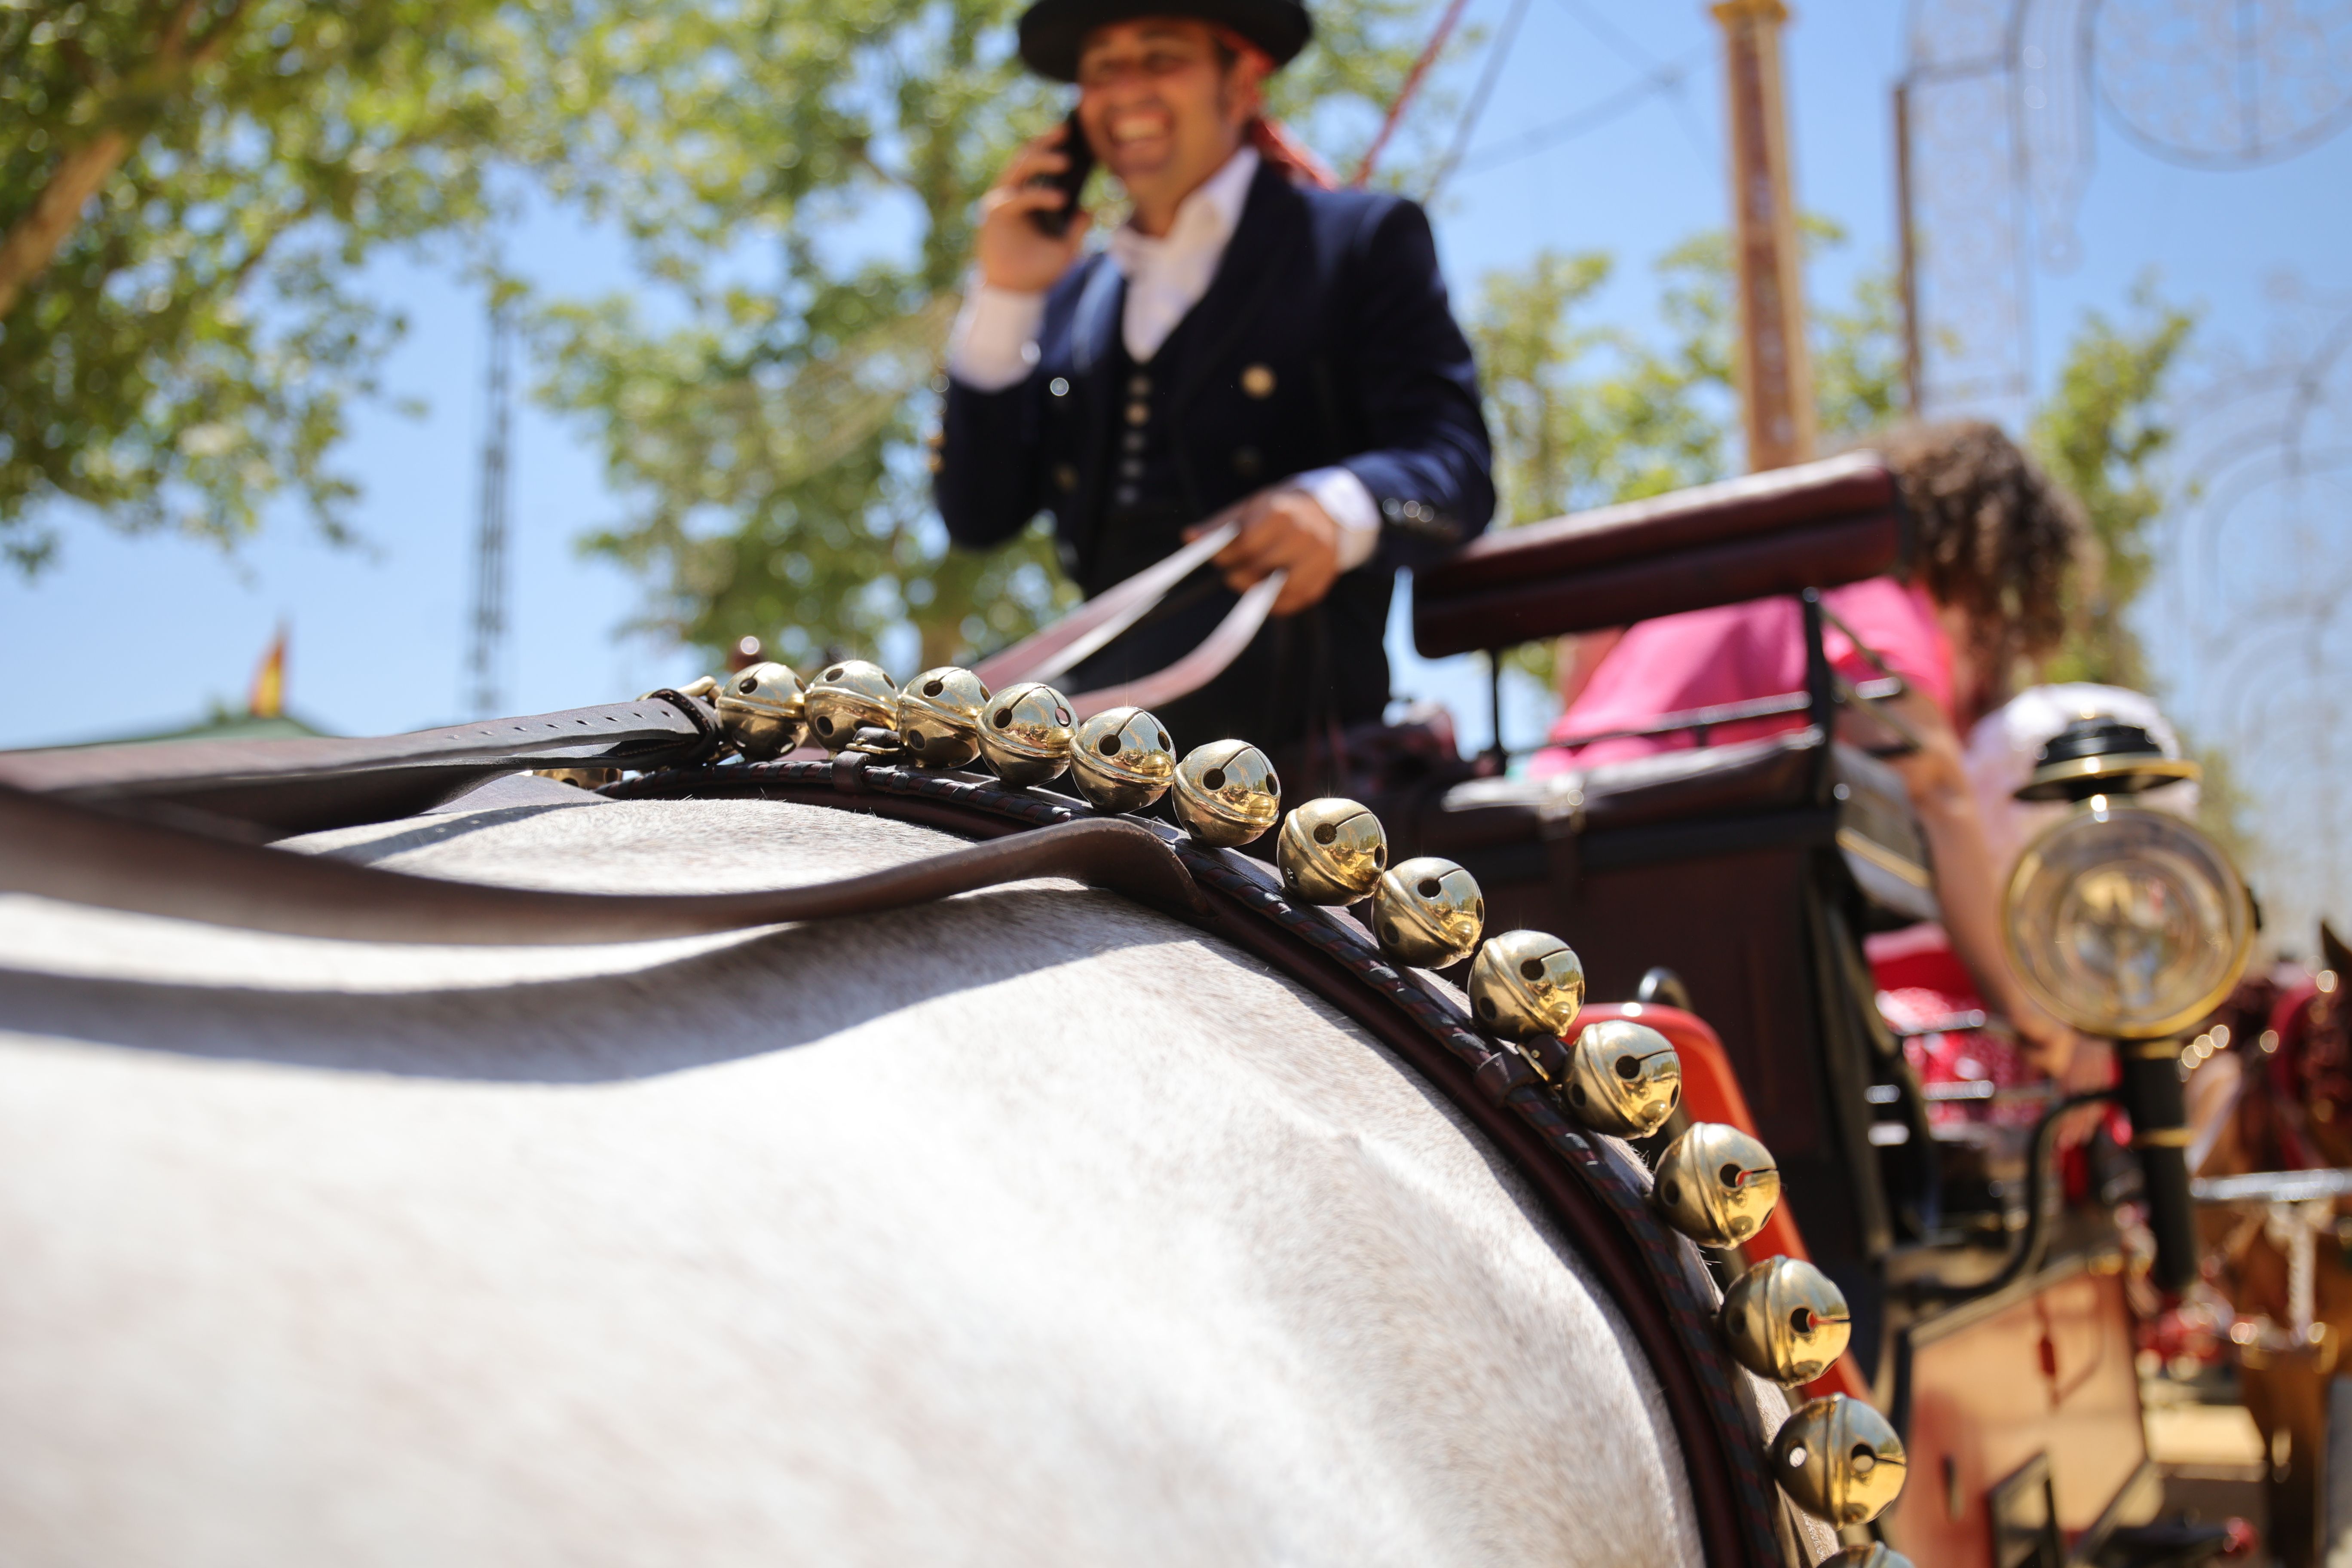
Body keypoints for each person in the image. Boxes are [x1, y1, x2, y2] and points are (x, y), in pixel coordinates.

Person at [933, 0, 1495, 758]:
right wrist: (1007, 294)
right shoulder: (1070, 294)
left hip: (1289, 758)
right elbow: (978, 512)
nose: (1127, 88)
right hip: (1102, 743)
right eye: (1102, 69)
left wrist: (1334, 509)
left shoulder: (1359, 240)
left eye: (1162, 57)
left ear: (1243, 83)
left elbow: (1453, 460)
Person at [1531, 421, 2094, 1081]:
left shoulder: (1730, 582)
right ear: (1986, 576)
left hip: (1540, 864)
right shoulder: (1865, 599)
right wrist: (2029, 1009)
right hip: (1665, 902)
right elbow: (1936, 789)